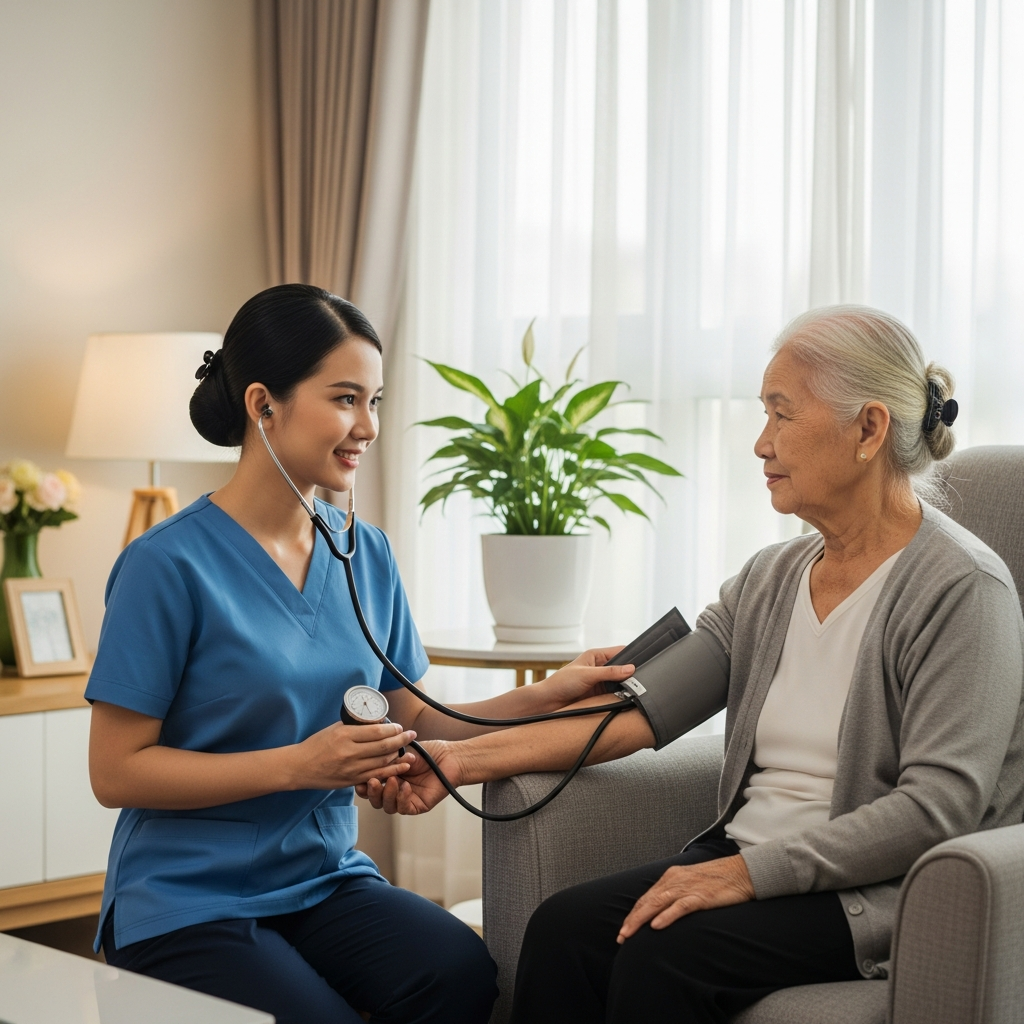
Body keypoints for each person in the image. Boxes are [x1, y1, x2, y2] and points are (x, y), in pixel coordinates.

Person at [367, 305, 1024, 1024]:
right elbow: (633, 715)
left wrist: (746, 874)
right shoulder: (771, 578)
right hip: (750, 858)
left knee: (662, 955)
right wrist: (458, 762)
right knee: (563, 930)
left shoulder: (963, 590)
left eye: (782, 415)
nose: (761, 443)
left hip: (871, 892)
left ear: (868, 430)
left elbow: (935, 810)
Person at [86, 284, 639, 1024]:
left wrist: (548, 693)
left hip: (323, 880)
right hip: (188, 898)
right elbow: (116, 772)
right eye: (346, 399)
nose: (369, 427)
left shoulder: (365, 553)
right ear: (263, 404)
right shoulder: (165, 565)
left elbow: (419, 718)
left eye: (374, 401)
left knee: (457, 973)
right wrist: (300, 765)